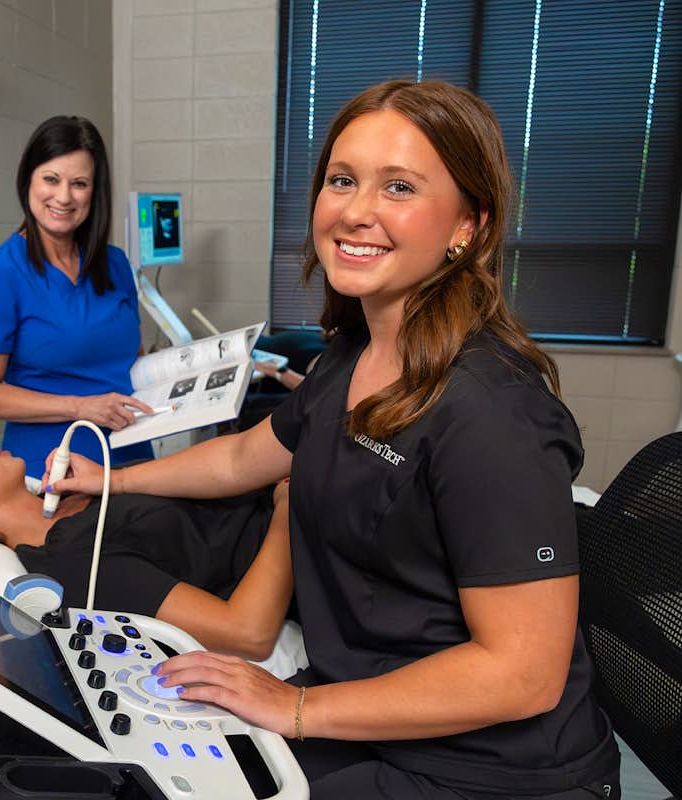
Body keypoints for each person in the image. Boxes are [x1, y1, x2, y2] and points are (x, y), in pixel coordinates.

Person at [44, 79, 621, 799]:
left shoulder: (491, 411)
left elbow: (523, 674)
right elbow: (242, 457)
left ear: (468, 225)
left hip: (489, 771)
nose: (354, 211)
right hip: (368, 716)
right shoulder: (349, 358)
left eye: (399, 187)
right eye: (342, 180)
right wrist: (110, 479)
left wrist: (296, 708)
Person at [0, 434, 291, 661]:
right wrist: (287, 512)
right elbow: (247, 633)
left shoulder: (80, 491)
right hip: (302, 537)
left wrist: (115, 479)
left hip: (280, 490)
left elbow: (230, 466)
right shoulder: (72, 562)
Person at [0, 116, 154, 479]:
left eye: (79, 184)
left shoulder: (114, 264)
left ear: (94, 192)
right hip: (53, 469)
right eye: (51, 179)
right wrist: (80, 407)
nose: (63, 197)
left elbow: (133, 358)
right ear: (28, 180)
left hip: (133, 456)